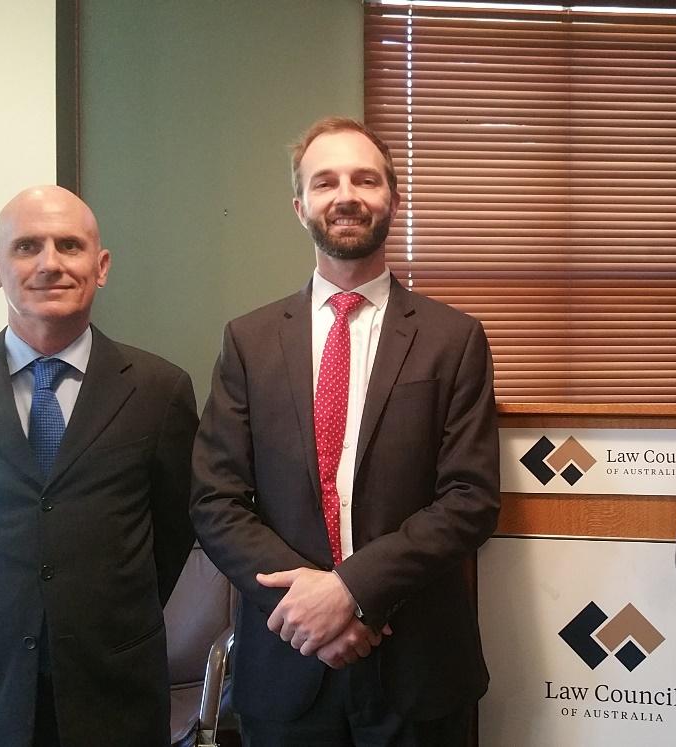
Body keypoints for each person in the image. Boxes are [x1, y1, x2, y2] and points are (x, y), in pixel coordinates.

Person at [190, 117, 500, 746]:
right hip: (285, 660)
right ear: (300, 204)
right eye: (325, 181)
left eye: (366, 179)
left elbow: (470, 500)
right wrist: (313, 605)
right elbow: (216, 501)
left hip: (418, 669)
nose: (347, 195)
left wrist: (352, 591)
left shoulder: (453, 339)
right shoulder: (248, 342)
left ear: (391, 197)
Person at [0, 186, 198, 745]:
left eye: (69, 246)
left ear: (100, 267)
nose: (50, 264)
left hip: (114, 692)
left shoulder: (160, 390)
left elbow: (171, 534)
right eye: (27, 246)